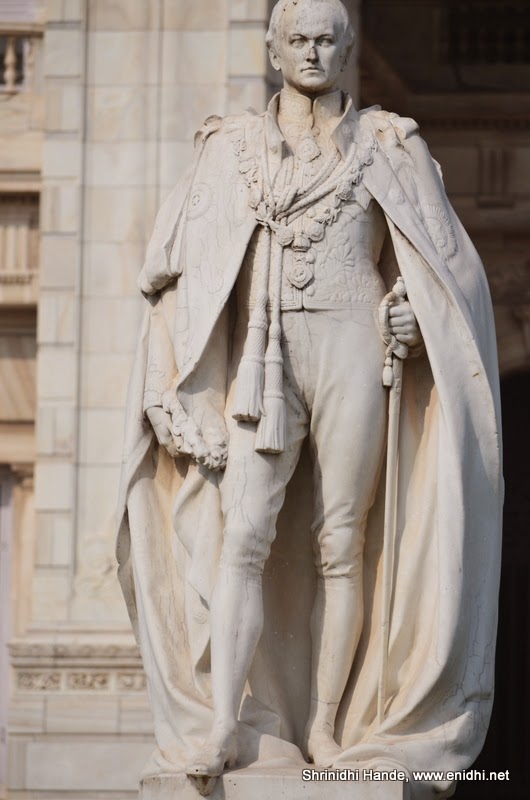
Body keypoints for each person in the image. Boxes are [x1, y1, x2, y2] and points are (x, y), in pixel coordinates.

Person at [117, 1, 502, 797]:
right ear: (271, 47)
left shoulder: (391, 147)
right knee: (244, 533)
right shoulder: (229, 150)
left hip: (354, 349)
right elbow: (172, 269)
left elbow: (449, 268)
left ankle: (326, 722)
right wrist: (173, 385)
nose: (314, 51)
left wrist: (415, 311)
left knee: (339, 544)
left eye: (328, 39)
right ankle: (226, 720)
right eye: (298, 39)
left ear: (350, 47)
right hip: (263, 360)